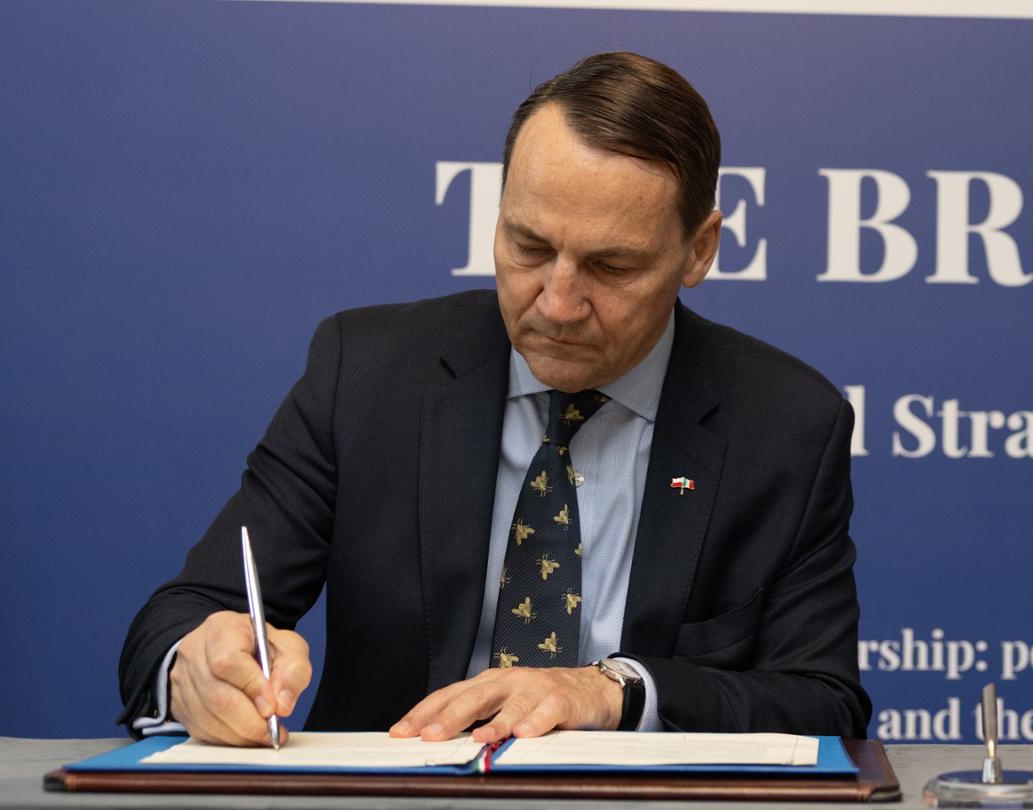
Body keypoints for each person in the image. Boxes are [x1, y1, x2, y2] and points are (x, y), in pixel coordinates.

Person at [118, 52, 869, 746]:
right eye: (529, 247)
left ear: (699, 249)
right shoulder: (368, 374)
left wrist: (616, 693)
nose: (558, 301)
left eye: (611, 266)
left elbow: (823, 702)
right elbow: (180, 617)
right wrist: (197, 667)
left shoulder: (786, 425)